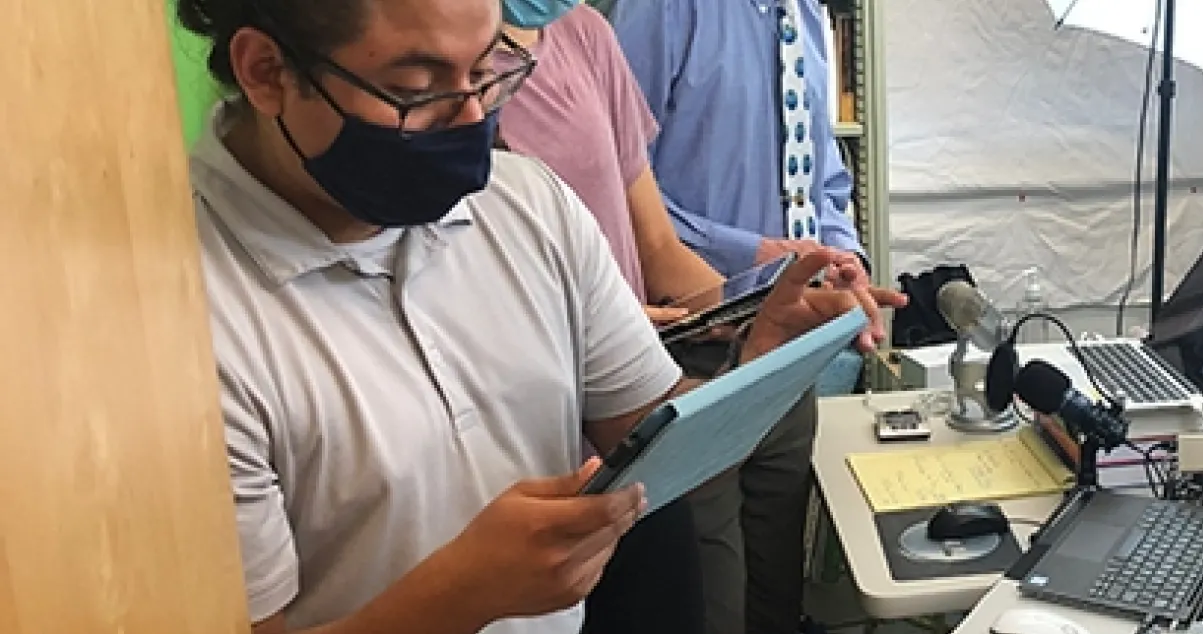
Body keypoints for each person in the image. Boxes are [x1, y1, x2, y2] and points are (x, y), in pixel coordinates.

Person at [175, 0, 903, 633]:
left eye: (487, 73)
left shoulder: (529, 207)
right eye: (415, 89)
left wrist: (763, 356)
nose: (470, 121)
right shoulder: (176, 317)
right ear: (266, 72)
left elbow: (657, 439)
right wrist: (459, 596)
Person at [605, 1, 871, 631]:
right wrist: (749, 253)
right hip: (689, 337)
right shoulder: (661, 11)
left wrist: (844, 253)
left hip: (787, 347)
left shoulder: (803, 13)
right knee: (711, 589)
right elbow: (616, 181)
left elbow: (825, 171)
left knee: (778, 574)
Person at [490, 0, 750, 631]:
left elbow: (658, 247)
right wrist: (599, 320)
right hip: (530, 452)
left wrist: (756, 311)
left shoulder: (583, 34)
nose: (469, 102)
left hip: (626, 437)